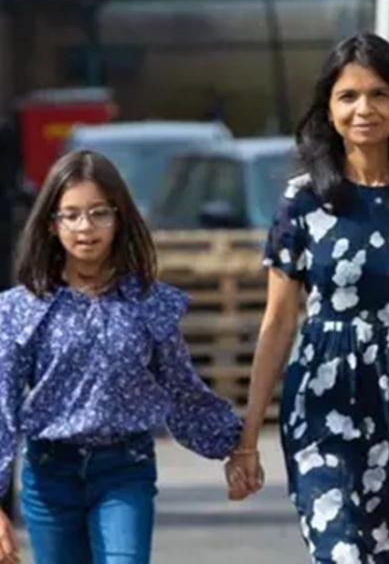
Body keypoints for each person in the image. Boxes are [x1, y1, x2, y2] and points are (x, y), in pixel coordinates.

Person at [226, 33, 389, 563]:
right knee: (341, 551)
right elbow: (278, 321)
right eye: (348, 96)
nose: (363, 109)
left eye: (379, 95)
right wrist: (248, 436)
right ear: (328, 108)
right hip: (321, 399)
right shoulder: (303, 201)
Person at [0, 150, 245, 564]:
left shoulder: (148, 304)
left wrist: (236, 447)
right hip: (49, 475)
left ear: (119, 218)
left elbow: (182, 388)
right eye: (71, 215)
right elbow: (2, 407)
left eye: (99, 213)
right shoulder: (23, 309)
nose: (85, 227)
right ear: (51, 224)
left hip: (124, 470)